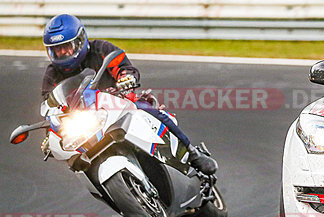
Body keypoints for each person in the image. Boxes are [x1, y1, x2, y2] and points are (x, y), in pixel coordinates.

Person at [40, 14, 218, 175]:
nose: (62, 53)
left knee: (149, 110)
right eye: (57, 49)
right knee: (74, 159)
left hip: (118, 102)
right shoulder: (52, 74)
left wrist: (126, 78)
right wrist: (51, 133)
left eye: (66, 47)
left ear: (80, 41)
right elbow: (52, 106)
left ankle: (192, 153)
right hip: (86, 121)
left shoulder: (100, 48)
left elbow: (123, 66)